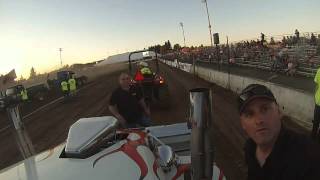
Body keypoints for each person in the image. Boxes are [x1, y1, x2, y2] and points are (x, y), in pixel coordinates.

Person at [238, 84, 320, 180]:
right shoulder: (249, 148)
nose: (258, 120)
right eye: (249, 114)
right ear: (242, 124)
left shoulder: (308, 156)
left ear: (279, 112)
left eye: (264, 109)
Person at [312, 67, 320, 142]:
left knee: (316, 122)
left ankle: (313, 138)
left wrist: (315, 95)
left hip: (318, 101)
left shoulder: (319, 70)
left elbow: (316, 85)